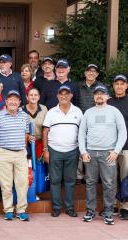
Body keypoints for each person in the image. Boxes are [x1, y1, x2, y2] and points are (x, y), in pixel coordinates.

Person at [78, 84, 126, 225]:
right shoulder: (88, 112)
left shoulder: (114, 111)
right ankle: (90, 211)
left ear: (107, 96)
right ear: (94, 96)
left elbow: (122, 132)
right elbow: (81, 133)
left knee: (109, 184)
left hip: (108, 153)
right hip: (91, 153)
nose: (99, 95)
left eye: (102, 93)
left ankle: (108, 212)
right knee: (90, 183)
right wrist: (83, 151)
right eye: (96, 93)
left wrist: (116, 151)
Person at [42, 85, 83, 218]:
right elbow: (45, 131)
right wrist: (46, 150)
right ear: (57, 96)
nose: (64, 96)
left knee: (70, 180)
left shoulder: (78, 111)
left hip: (73, 150)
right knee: (55, 180)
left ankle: (70, 208)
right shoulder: (51, 112)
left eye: (67, 94)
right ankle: (56, 208)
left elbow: (82, 132)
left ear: (71, 96)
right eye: (61, 94)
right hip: (54, 151)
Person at [0, 90, 31, 221]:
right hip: (3, 153)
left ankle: (21, 210)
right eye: (10, 99)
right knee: (6, 185)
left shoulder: (24, 116)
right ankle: (8, 210)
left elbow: (26, 134)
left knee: (23, 183)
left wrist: (24, 148)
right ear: (6, 101)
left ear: (20, 102)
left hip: (20, 153)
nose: (13, 102)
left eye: (16, 99)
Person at [107, 74, 128, 220]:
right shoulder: (108, 102)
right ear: (113, 86)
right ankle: (113, 205)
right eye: (116, 84)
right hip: (110, 146)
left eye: (122, 83)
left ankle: (125, 207)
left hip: (127, 146)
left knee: (126, 177)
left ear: (126, 86)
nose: (119, 86)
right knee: (111, 177)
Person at [77, 64, 101, 184]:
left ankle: (91, 176)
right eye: (89, 71)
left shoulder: (101, 87)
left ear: (97, 74)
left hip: (96, 123)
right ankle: (79, 176)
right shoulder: (78, 86)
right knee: (81, 147)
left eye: (94, 71)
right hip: (80, 121)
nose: (91, 73)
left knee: (92, 148)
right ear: (85, 73)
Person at [22, 88, 48, 160]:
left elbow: (47, 127)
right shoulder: (21, 110)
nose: (33, 97)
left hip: (40, 142)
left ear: (39, 97)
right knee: (28, 166)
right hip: (26, 143)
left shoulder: (44, 109)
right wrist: (27, 137)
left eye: (35, 95)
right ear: (27, 97)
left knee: (39, 165)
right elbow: (19, 128)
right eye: (31, 95)